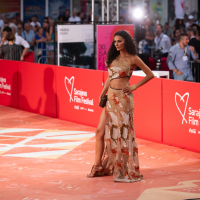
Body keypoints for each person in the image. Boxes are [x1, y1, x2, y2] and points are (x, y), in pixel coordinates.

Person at [86, 30, 154, 182]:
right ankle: (97, 165)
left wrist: (135, 86)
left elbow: (150, 74)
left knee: (123, 135)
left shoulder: (133, 58)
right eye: (115, 41)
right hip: (110, 97)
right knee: (99, 131)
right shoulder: (113, 58)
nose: (116, 44)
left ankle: (123, 168)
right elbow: (110, 77)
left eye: (119, 41)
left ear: (126, 42)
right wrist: (102, 93)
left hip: (124, 99)